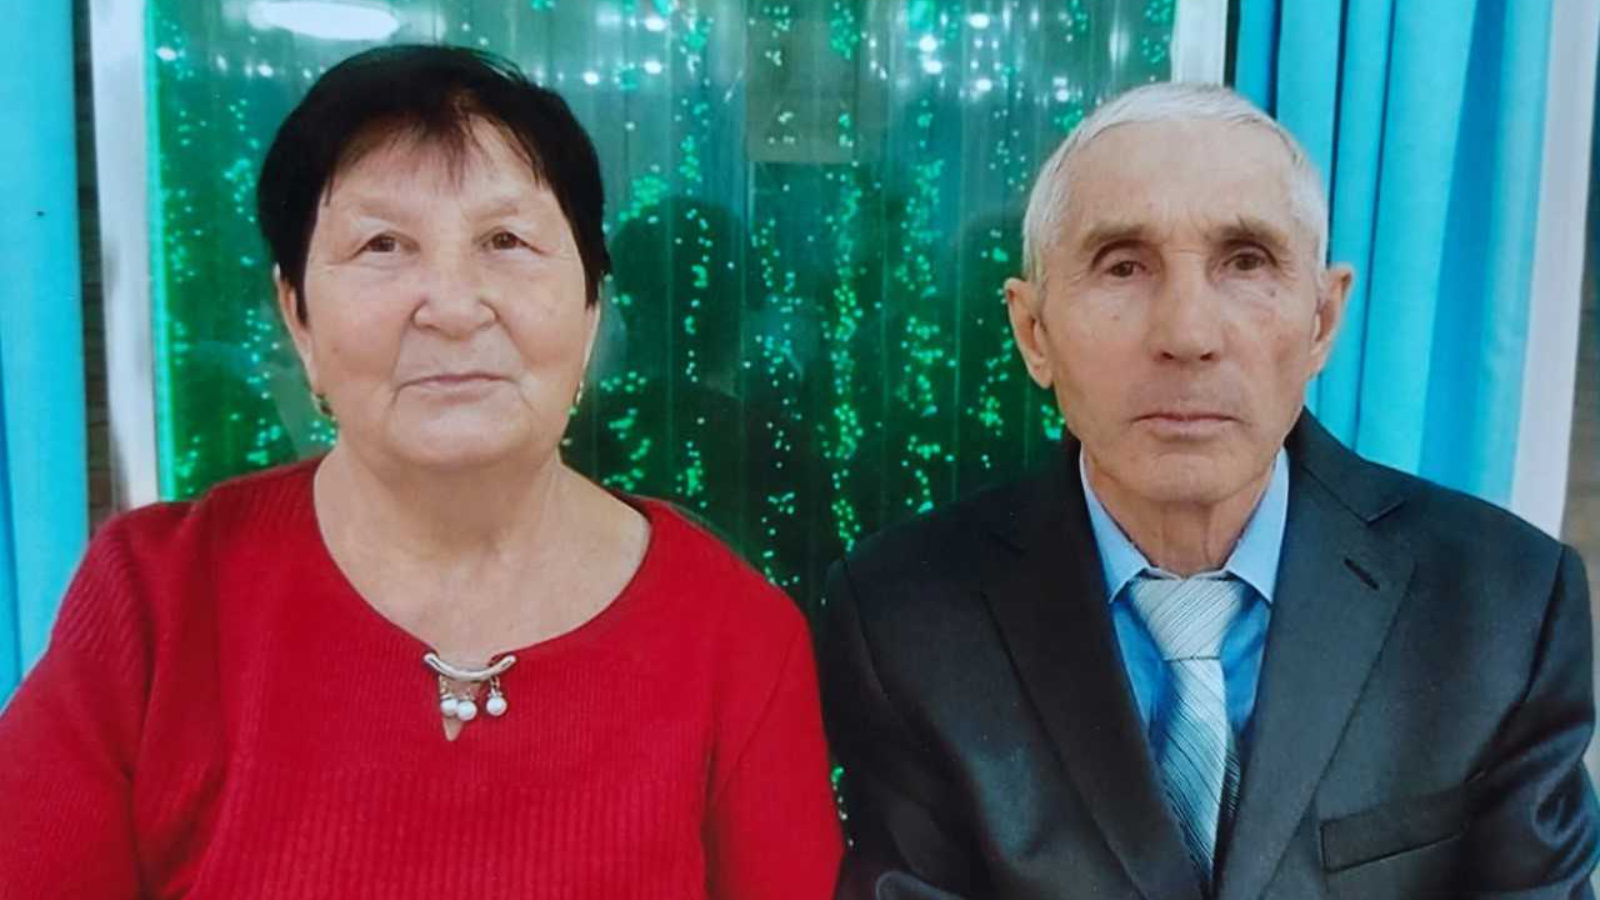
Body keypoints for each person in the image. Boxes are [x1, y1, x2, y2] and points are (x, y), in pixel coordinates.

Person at [0, 45, 841, 898]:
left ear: (592, 305)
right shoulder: (157, 603)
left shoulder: (739, 643)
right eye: (383, 244)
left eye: (505, 240)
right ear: (297, 316)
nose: (451, 307)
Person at [819, 82, 1599, 899]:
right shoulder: (904, 621)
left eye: (1246, 261)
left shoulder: (1501, 604)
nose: (1188, 335)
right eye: (1124, 266)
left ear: (1322, 321)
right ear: (1033, 332)